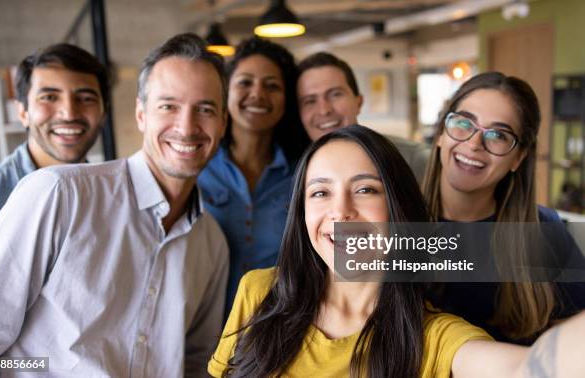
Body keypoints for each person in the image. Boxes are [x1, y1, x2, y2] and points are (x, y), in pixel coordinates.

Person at [208, 125, 585, 378]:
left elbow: (526, 370)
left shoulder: (434, 337)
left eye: (366, 190)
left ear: (398, 208)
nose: (340, 211)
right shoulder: (259, 292)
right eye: (321, 193)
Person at [0, 34, 228, 376]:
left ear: (224, 122)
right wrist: (37, 366)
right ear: (141, 114)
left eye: (205, 109)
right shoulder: (58, 195)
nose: (186, 127)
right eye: (168, 106)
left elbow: (197, 363)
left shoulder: (211, 242)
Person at [422, 72, 585, 344]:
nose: (474, 144)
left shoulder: (544, 231)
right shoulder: (392, 220)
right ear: (440, 133)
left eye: (497, 134)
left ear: (518, 158)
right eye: (463, 123)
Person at [198, 36, 309, 309]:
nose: (258, 94)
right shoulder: (196, 170)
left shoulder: (305, 176)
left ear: (286, 101)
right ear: (225, 93)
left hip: (282, 333)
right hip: (204, 335)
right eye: (245, 82)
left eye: (272, 86)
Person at [0, 43, 108, 249]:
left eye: (86, 98)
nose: (69, 113)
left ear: (103, 113)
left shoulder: (113, 195)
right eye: (49, 97)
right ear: (23, 112)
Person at [296, 51, 430, 182]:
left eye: (335, 94)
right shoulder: (293, 173)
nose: (324, 110)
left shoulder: (413, 160)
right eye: (310, 101)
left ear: (358, 102)